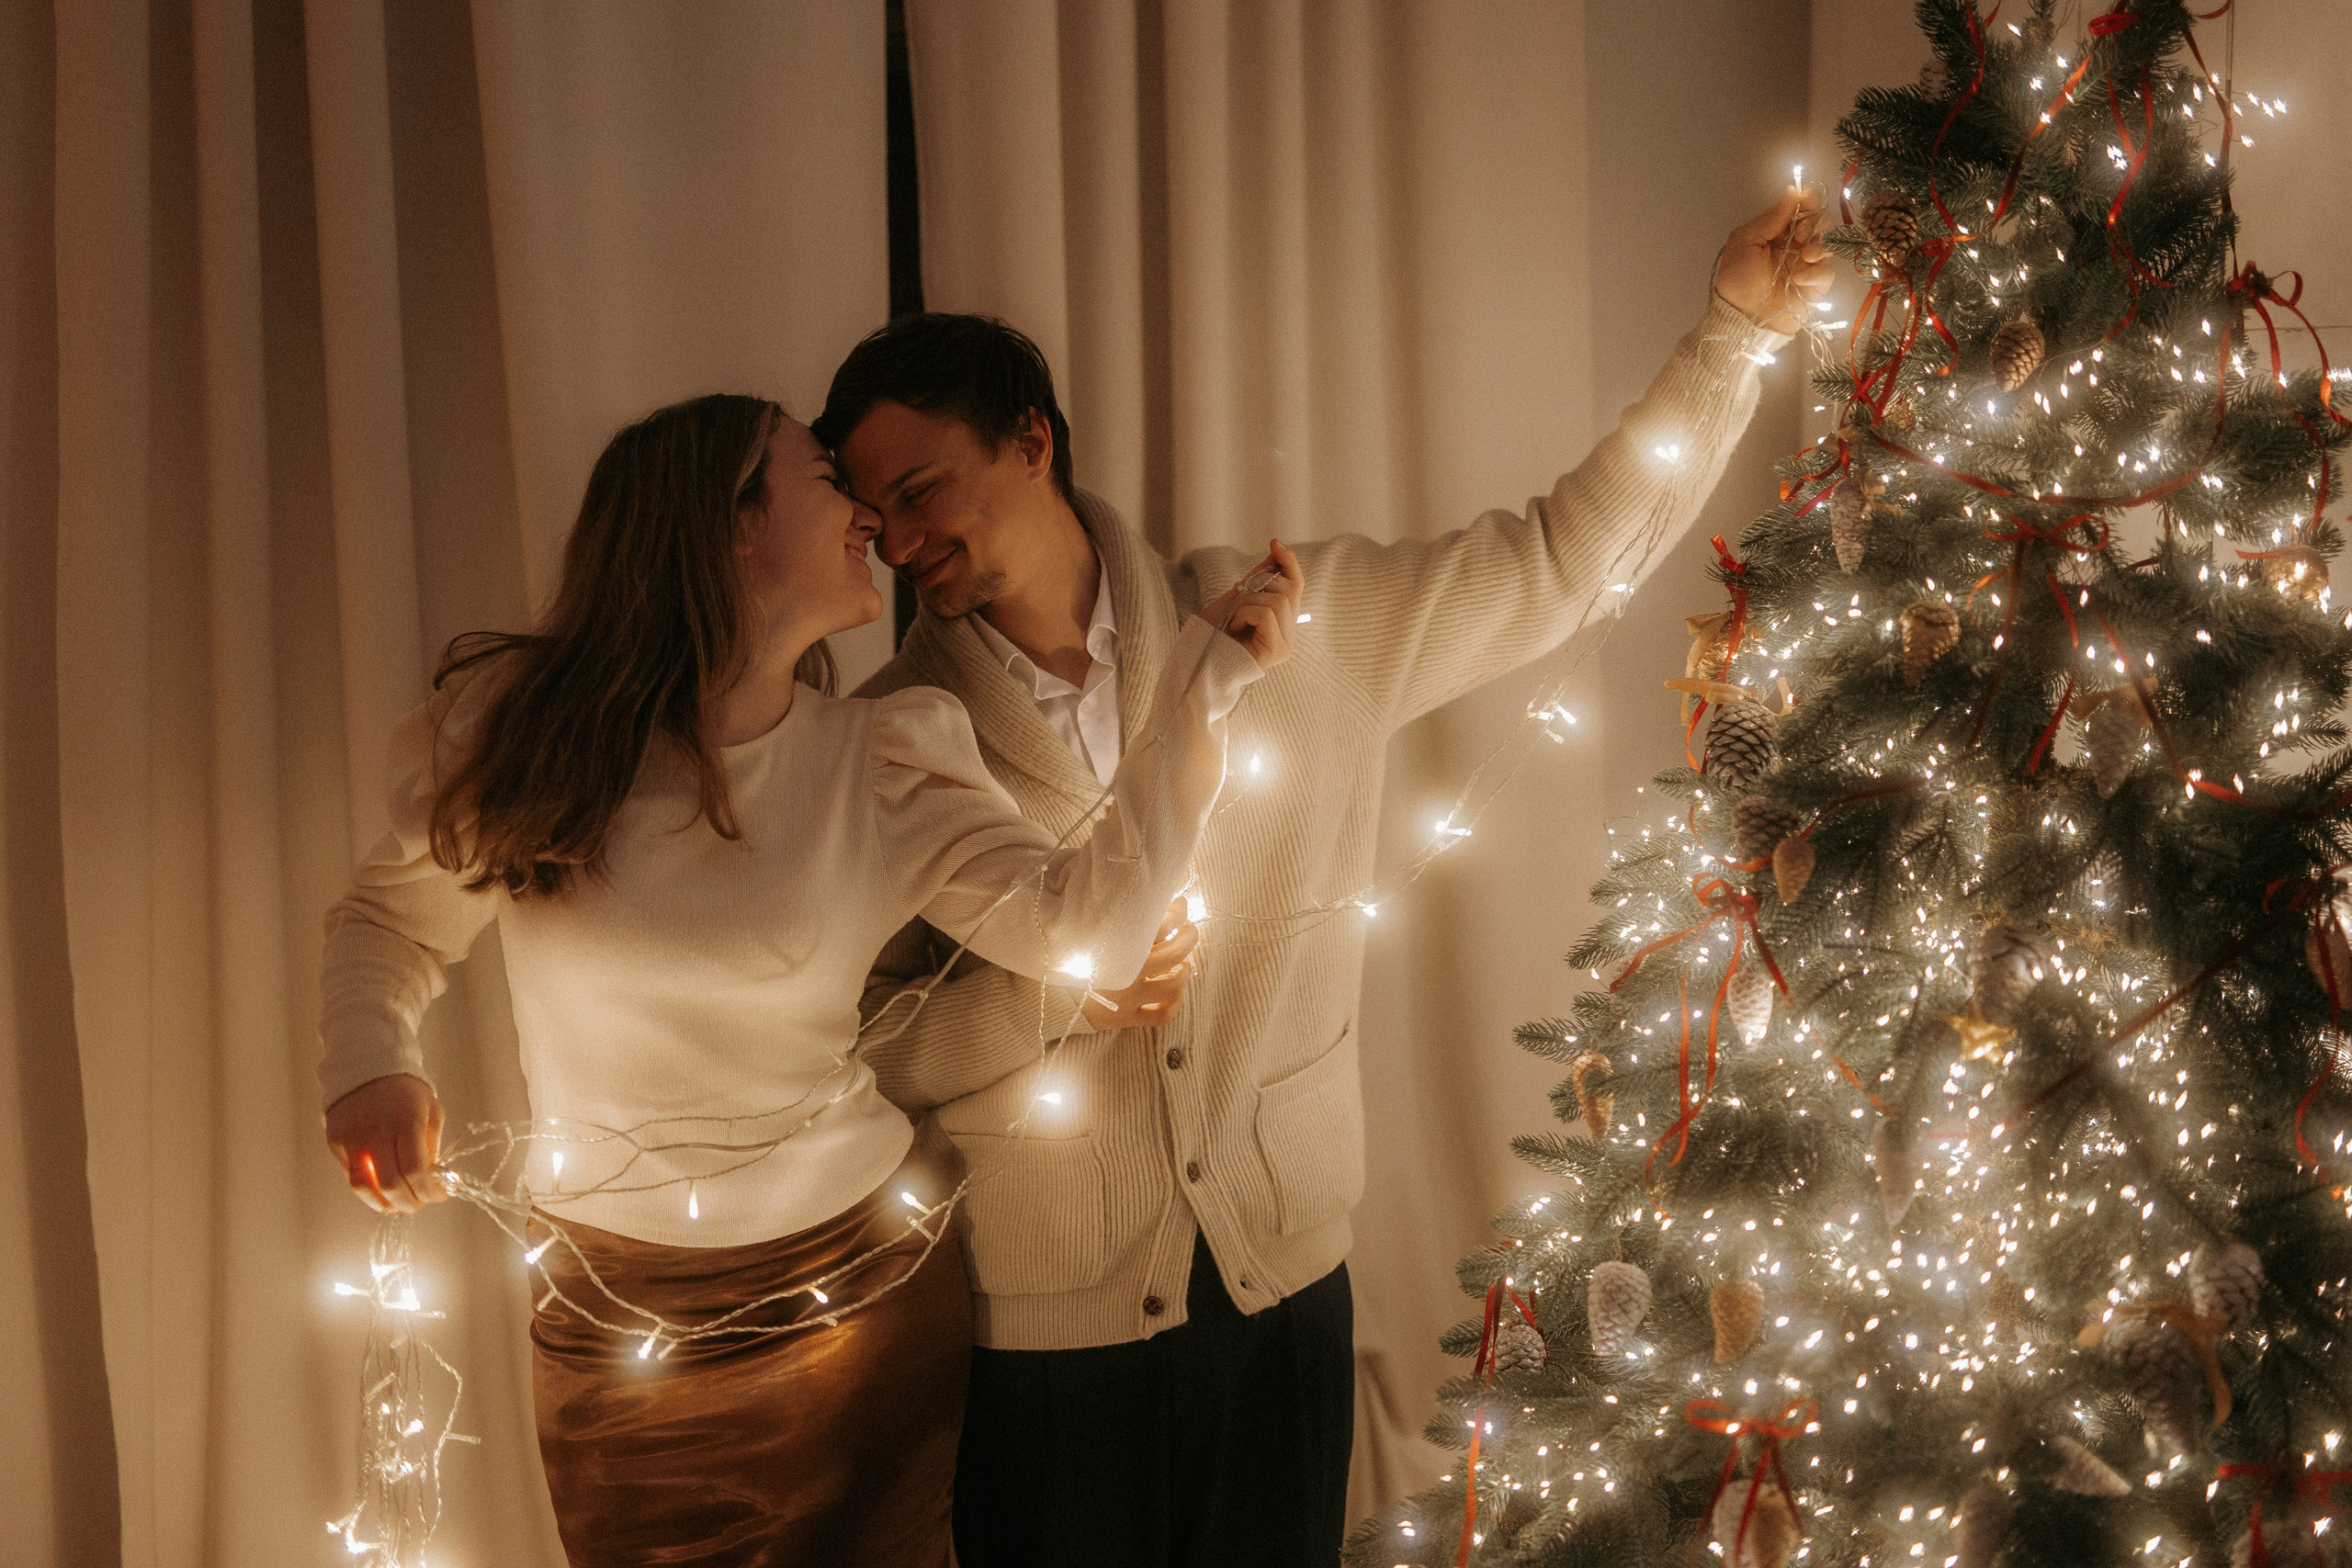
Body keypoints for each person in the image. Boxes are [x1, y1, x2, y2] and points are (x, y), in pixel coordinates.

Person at [812, 186, 1832, 1565]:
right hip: (1040, 1334)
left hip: (1281, 1285)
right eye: (875, 516)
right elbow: (862, 1044)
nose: (901, 535)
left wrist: (1729, 336)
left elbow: (1564, 561)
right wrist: (1060, 1003)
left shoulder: (1296, 621)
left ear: (1033, 440)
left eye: (919, 487)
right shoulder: (889, 736)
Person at [313, 392, 1301, 1567]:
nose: (872, 520)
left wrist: (1202, 677)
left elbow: (1082, 922)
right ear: (730, 523)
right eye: (829, 481)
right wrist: (370, 1064)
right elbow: (388, 921)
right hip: (613, 1325)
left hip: (858, 1302)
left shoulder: (879, 755)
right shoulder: (521, 737)